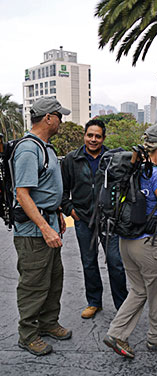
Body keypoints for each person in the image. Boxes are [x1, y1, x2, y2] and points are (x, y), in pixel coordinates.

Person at [103, 123, 157, 359]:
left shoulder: (133, 168)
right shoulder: (155, 173)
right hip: (148, 244)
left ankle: (116, 333)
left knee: (138, 290)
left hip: (126, 241)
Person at [13, 97, 72, 356]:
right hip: (34, 232)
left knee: (53, 280)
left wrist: (56, 212)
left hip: (48, 224)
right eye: (60, 116)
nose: (62, 121)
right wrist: (45, 228)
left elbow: (45, 190)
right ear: (48, 117)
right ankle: (27, 335)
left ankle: (48, 324)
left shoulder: (45, 147)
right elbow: (22, 194)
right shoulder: (29, 149)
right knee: (34, 284)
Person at [61, 119, 128, 319]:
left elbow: (125, 186)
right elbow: (63, 192)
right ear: (84, 136)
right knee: (89, 262)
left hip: (109, 220)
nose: (93, 139)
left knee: (115, 262)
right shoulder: (71, 160)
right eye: (90, 135)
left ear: (103, 138)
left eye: (98, 136)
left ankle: (123, 306)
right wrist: (71, 211)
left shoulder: (113, 158)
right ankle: (94, 302)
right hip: (83, 219)